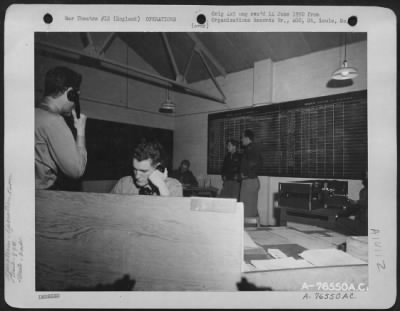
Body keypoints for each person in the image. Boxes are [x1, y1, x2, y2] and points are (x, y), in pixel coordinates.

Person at [35, 66, 87, 190]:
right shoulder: (53, 121)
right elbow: (77, 170)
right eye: (76, 96)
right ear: (70, 93)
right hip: (41, 196)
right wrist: (80, 130)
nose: (76, 103)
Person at [111, 140, 182, 197]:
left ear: (158, 168)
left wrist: (162, 186)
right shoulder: (123, 184)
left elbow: (172, 213)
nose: (137, 176)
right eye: (135, 169)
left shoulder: (174, 186)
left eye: (143, 171)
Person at [240, 129, 262, 218]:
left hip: (249, 181)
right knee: (251, 208)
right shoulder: (253, 148)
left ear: (247, 138)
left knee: (247, 212)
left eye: (242, 137)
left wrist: (245, 173)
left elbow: (254, 162)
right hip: (251, 180)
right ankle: (254, 228)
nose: (241, 139)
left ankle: (248, 230)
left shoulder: (251, 148)